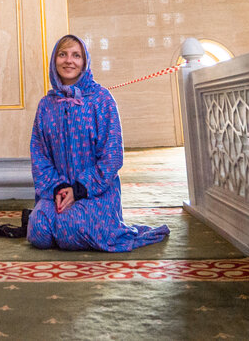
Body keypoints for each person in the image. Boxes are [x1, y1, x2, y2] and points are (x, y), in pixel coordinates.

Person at [27, 34, 170, 252]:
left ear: (85, 62)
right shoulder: (46, 105)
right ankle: (63, 223)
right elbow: (39, 155)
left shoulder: (102, 100)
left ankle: (82, 225)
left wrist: (79, 189)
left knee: (69, 228)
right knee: (38, 230)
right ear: (54, 61)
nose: (69, 61)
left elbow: (112, 157)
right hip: (57, 192)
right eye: (62, 54)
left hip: (96, 192)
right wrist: (58, 188)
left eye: (76, 55)